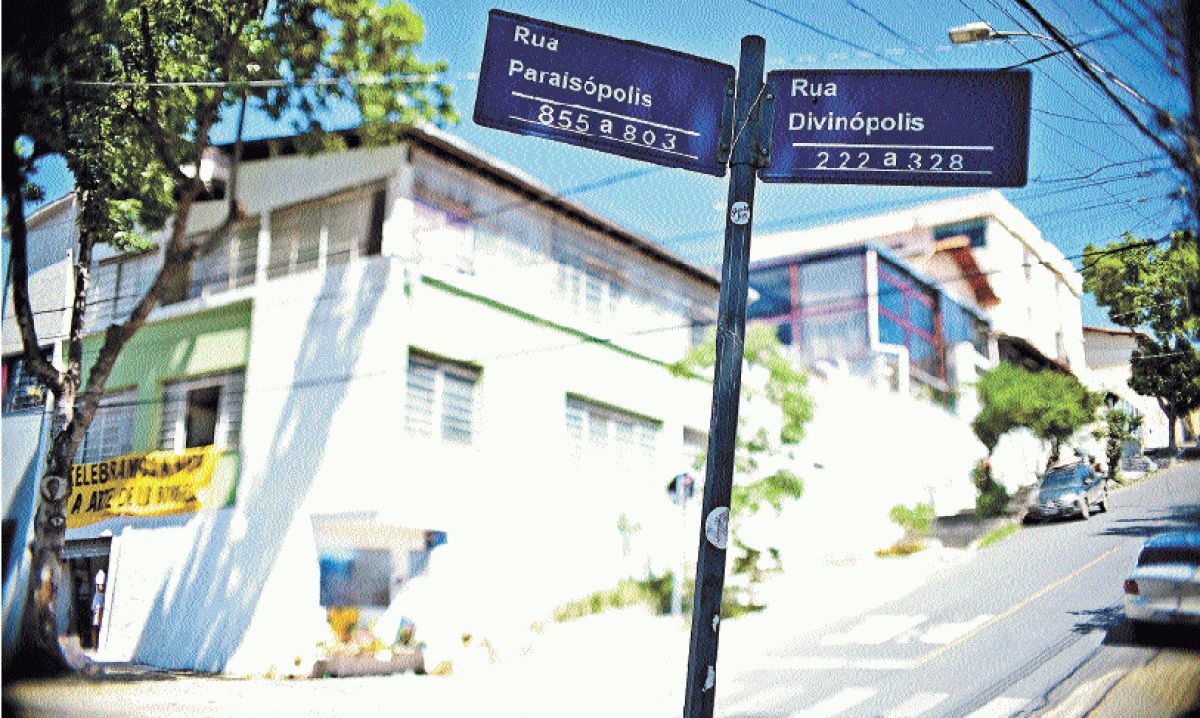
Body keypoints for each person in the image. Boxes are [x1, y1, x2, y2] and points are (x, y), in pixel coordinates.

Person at [91, 570, 106, 650]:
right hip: (98, 606)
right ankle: (95, 646)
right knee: (96, 625)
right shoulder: (99, 594)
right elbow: (100, 589)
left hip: (99, 605)